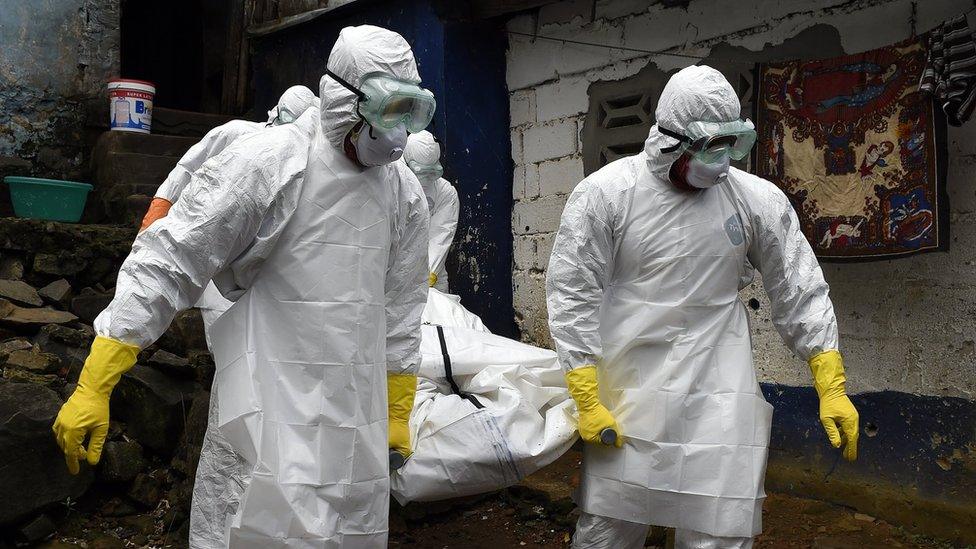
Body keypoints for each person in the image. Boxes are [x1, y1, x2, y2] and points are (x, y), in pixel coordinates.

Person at [52, 25, 432, 547]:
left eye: (408, 114)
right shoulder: (269, 161)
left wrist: (395, 410)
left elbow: (403, 306)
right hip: (265, 404)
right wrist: (97, 379)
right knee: (249, 527)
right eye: (387, 113)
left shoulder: (404, 192)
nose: (397, 137)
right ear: (345, 99)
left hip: (354, 418)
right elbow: (172, 259)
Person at [546, 65, 859, 549]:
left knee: (720, 524)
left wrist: (829, 378)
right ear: (668, 138)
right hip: (629, 382)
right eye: (708, 146)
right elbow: (573, 292)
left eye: (730, 144)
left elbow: (797, 284)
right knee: (613, 523)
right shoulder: (607, 194)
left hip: (719, 379)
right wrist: (584, 391)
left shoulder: (754, 200)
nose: (722, 162)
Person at [139, 85, 319, 231]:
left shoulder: (305, 159)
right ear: (276, 114)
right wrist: (159, 210)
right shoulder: (237, 133)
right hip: (204, 215)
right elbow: (188, 168)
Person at [403, 130, 459, 291]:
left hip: (432, 276)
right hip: (398, 271)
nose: (427, 179)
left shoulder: (445, 192)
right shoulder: (395, 184)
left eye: (432, 172)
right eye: (421, 172)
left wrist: (430, 274)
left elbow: (441, 234)